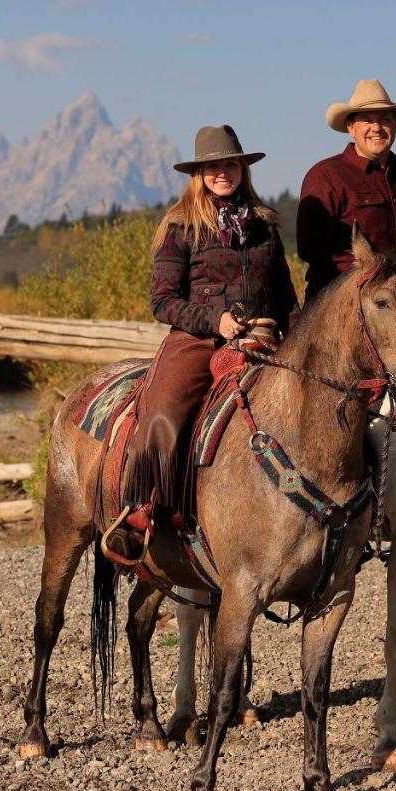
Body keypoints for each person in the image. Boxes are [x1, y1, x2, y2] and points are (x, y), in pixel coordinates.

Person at [119, 124, 299, 541]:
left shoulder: (265, 225)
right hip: (196, 340)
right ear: (198, 174)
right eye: (213, 166)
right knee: (164, 411)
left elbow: (286, 296)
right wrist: (213, 319)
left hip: (263, 338)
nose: (223, 173)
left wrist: (299, 339)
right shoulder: (181, 227)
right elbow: (162, 301)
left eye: (230, 164)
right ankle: (143, 508)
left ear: (242, 169)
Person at [297, 79, 396, 299]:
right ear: (351, 128)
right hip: (342, 304)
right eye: (367, 121)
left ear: (395, 125)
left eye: (384, 119)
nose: (376, 128)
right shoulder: (326, 175)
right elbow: (311, 249)